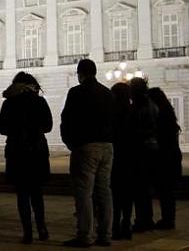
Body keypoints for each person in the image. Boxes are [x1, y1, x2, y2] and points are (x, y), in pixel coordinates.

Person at [60, 59, 114, 248]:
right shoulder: (107, 93)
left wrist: (70, 142)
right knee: (104, 192)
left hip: (86, 146)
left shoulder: (76, 92)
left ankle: (85, 235)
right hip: (107, 146)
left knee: (84, 193)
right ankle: (106, 235)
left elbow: (66, 119)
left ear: (80, 73)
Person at [0, 72, 52, 244]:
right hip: (37, 152)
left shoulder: (9, 103)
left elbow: (3, 129)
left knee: (22, 195)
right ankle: (42, 228)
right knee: (37, 194)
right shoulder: (39, 101)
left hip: (17, 152)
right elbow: (48, 126)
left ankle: (27, 232)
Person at [148, 87, 182, 230]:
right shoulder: (169, 116)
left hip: (164, 159)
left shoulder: (159, 118)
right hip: (173, 158)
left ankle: (168, 220)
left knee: (165, 192)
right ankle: (168, 219)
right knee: (168, 192)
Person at [129, 77, 159, 233]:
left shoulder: (140, 107)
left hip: (142, 149)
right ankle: (146, 219)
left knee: (140, 188)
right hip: (151, 147)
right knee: (144, 188)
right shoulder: (151, 105)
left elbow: (140, 128)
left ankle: (143, 220)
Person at [110, 82, 134, 240]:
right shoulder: (133, 111)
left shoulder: (112, 113)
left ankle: (115, 226)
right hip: (131, 157)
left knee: (116, 193)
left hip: (116, 156)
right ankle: (126, 224)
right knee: (128, 194)